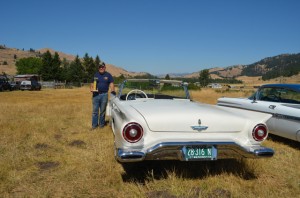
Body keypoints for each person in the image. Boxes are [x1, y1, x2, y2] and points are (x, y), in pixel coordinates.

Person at [90, 62, 115, 130]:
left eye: (102, 67)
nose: (101, 68)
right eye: (100, 67)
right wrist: (91, 89)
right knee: (95, 111)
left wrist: (113, 91)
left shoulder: (108, 75)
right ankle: (94, 126)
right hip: (96, 95)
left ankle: (101, 125)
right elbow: (92, 83)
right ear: (98, 68)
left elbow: (111, 84)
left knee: (102, 111)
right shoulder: (95, 74)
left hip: (104, 95)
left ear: (104, 67)